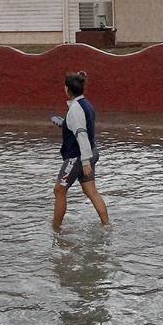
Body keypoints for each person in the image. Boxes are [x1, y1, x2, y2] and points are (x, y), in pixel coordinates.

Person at [53, 70, 109, 229]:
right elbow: (80, 126)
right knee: (91, 191)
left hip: (78, 157)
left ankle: (55, 229)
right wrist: (65, 123)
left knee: (59, 190)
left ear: (66, 89)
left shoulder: (75, 109)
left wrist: (84, 162)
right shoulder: (86, 105)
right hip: (90, 152)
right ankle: (107, 224)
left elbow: (81, 134)